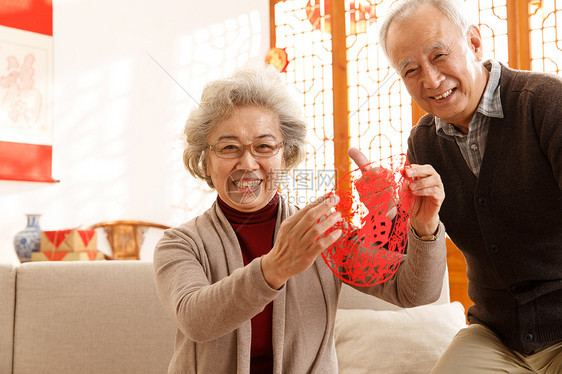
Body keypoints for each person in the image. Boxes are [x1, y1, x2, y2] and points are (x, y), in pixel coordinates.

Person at [153, 64, 447, 373]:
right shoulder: (179, 243)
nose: (248, 163)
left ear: (285, 154)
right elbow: (196, 320)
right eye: (229, 147)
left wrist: (423, 225)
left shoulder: (322, 230)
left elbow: (415, 292)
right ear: (206, 159)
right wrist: (275, 267)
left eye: (264, 146)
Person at [374, 0, 562, 372]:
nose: (430, 80)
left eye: (439, 55)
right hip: (496, 333)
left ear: (474, 43)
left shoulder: (545, 104)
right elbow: (419, 292)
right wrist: (422, 227)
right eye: (410, 70)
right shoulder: (422, 145)